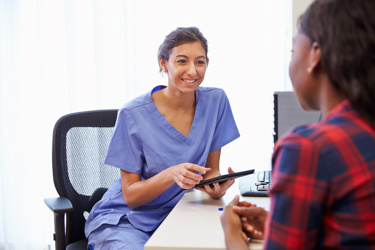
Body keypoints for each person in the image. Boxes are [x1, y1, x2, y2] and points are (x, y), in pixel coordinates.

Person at [220, 0, 375, 249]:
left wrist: (232, 235)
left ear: (315, 55)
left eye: (293, 52)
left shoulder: (308, 147)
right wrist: (276, 223)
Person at [85, 27, 240, 249]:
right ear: (163, 64)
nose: (192, 71)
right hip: (126, 219)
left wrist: (216, 187)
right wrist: (170, 174)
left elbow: (211, 170)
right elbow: (131, 196)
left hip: (179, 214)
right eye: (182, 61)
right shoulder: (132, 114)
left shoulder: (216, 101)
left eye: (200, 62)